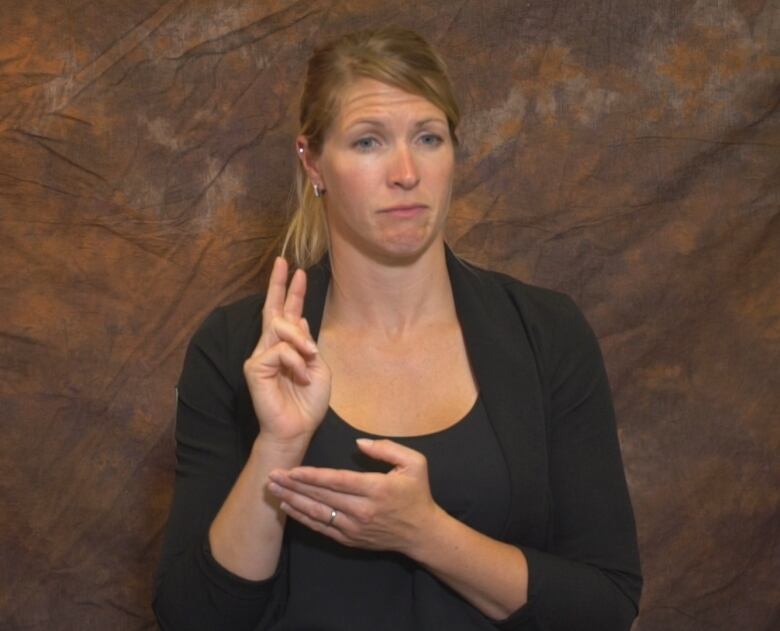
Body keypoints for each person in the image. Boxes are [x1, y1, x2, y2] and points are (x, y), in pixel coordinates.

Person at [153, 26, 642, 631]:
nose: (406, 172)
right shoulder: (237, 349)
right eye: (368, 142)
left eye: (429, 138)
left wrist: (426, 533)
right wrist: (275, 448)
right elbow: (192, 620)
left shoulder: (548, 333)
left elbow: (607, 608)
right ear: (313, 162)